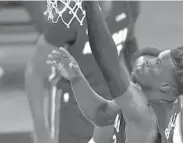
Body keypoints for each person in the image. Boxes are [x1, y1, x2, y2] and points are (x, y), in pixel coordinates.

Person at [47, 1, 183, 143]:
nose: (148, 61)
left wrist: (91, 5)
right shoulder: (147, 101)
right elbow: (101, 114)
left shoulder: (143, 111)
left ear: (165, 87)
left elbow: (109, 63)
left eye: (157, 64)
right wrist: (76, 78)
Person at [25, 1, 140, 143]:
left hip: (112, 109)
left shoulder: (129, 4)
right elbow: (34, 71)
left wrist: (141, 85)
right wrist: (41, 130)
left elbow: (129, 39)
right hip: (72, 113)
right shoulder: (67, 18)